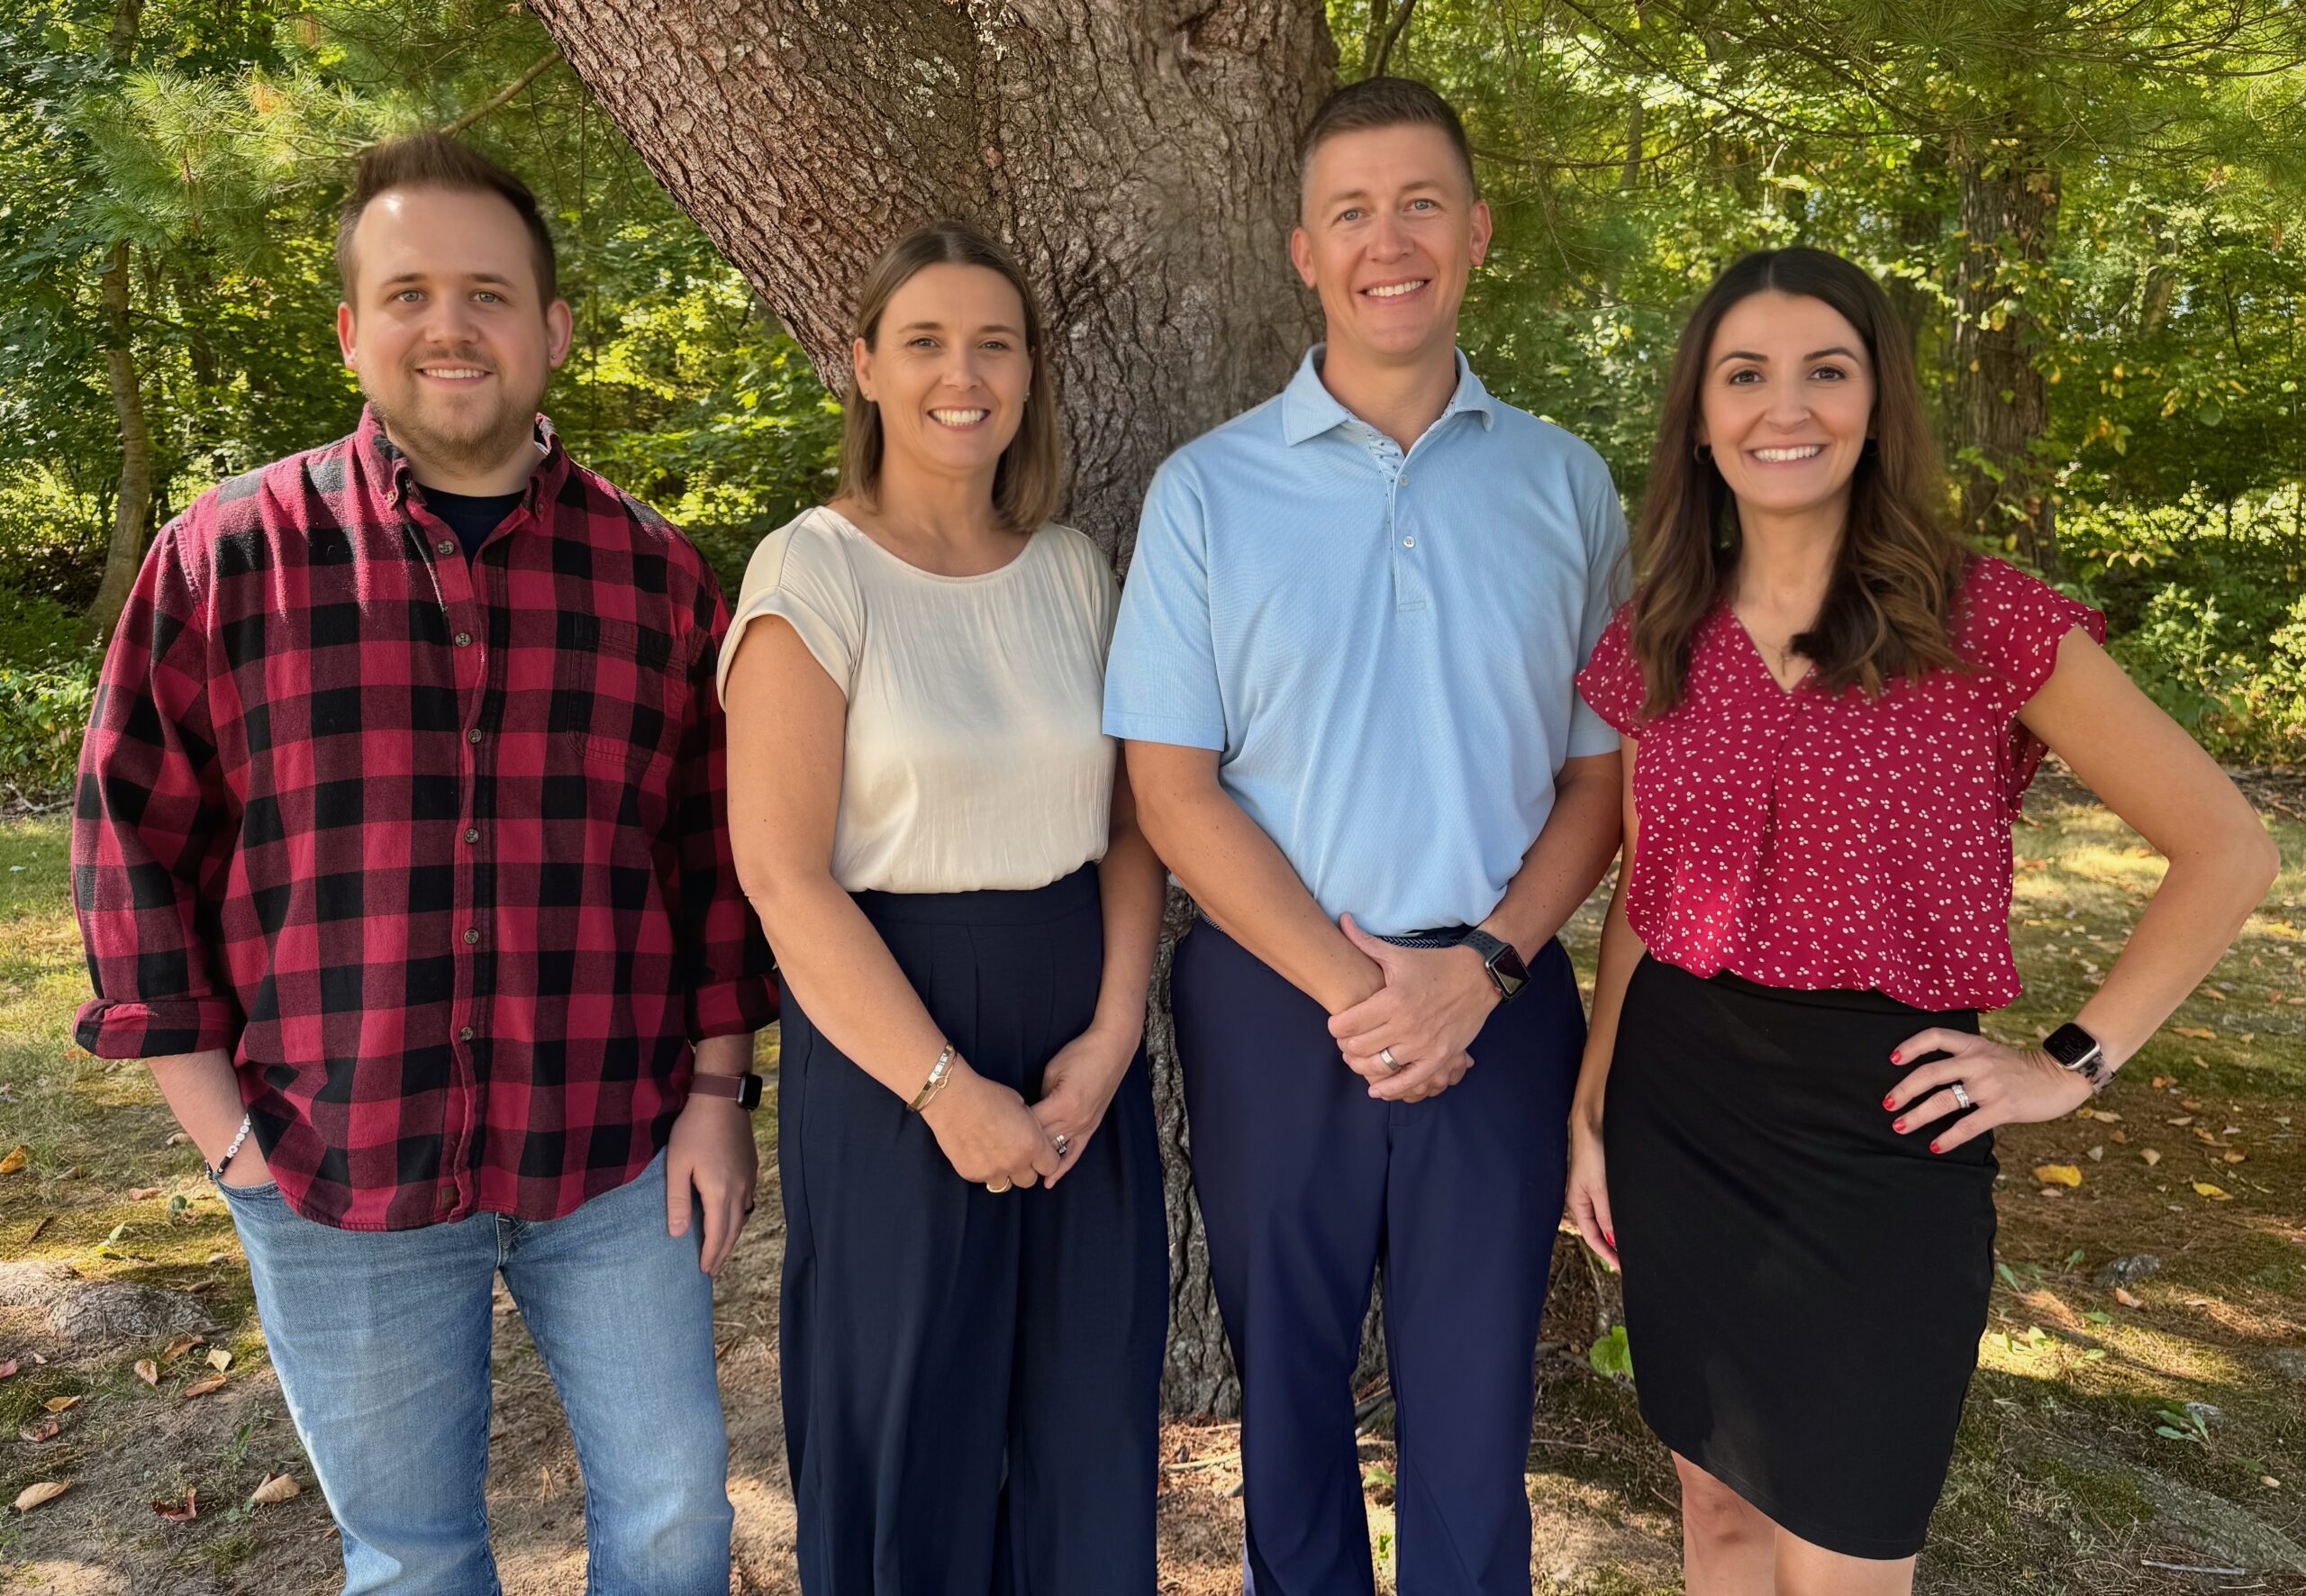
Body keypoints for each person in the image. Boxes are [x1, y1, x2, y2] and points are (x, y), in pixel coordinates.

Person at [70, 131, 775, 1595]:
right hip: (332, 1158)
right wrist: (228, 1142)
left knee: (673, 1521)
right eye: (408, 294)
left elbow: (712, 861)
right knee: (409, 1558)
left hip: (615, 1152)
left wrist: (719, 1099)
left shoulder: (656, 577)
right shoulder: (226, 558)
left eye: (488, 293)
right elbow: (132, 843)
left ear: (554, 329)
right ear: (352, 331)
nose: (450, 326)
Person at [1566, 246, 2281, 1595]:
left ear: (1879, 404)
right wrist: (1594, 1105)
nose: (1787, 407)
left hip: (1887, 1125)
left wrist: (2067, 1067)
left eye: (1827, 372)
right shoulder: (1661, 626)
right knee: (1716, 1510)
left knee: (1849, 1549)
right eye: (1746, 375)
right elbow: (1647, 893)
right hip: (1679, 1103)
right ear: (1701, 419)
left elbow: (2228, 850)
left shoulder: (1982, 617)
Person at [1106, 78, 1628, 1595]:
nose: (1386, 242)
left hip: (1500, 1001)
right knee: (1290, 1407)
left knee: (1476, 1419)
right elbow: (1171, 791)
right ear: (1304, 251)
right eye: (1351, 212)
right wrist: (1364, 995)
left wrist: (1479, 971)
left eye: (1419, 205)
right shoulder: (1208, 491)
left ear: (1478, 232)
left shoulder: (1565, 483)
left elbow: (1601, 784)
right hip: (1278, 1003)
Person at [720, 220, 1168, 1594]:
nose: (961, 375)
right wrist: (943, 1088)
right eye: (924, 342)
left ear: (1029, 373)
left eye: (994, 345)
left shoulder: (1074, 569)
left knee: (1086, 1427)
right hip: (890, 1041)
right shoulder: (811, 572)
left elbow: (1130, 825)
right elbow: (782, 875)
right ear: (862, 365)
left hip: (1078, 1038)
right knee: (911, 1435)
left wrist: (1114, 1035)